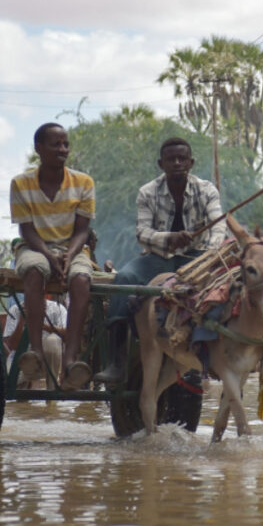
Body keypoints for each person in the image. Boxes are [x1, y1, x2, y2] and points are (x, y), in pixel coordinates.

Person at [95, 137, 225, 384]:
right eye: (171, 159)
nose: (177, 163)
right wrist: (169, 238)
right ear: (161, 163)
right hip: (158, 258)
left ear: (191, 162)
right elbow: (142, 233)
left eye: (182, 158)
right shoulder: (148, 191)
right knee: (124, 279)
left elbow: (218, 227)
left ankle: (207, 356)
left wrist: (208, 257)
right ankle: (117, 361)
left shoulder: (207, 190)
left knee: (223, 289)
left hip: (197, 258)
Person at [10, 122, 95, 391]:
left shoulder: (83, 182)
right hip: (34, 248)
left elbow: (83, 231)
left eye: (65, 144)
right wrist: (47, 254)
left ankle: (70, 358)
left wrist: (68, 256)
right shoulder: (21, 183)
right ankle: (34, 349)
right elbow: (27, 230)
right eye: (55, 144)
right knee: (35, 271)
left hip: (73, 248)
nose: (62, 149)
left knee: (81, 279)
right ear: (39, 148)